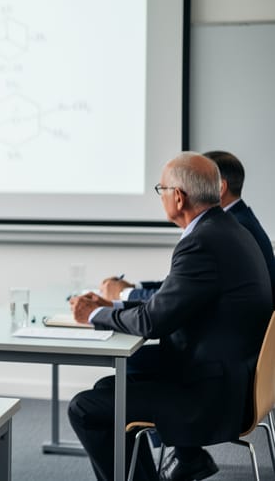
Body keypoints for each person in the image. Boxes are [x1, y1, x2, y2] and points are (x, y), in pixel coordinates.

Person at [67, 152, 272, 481]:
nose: (160, 195)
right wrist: (113, 308)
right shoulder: (225, 229)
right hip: (229, 377)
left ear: (178, 197)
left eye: (161, 189)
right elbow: (171, 302)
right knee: (109, 388)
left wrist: (95, 315)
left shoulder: (203, 241)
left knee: (85, 408)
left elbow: (153, 322)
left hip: (209, 396)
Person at [100, 150, 275, 303]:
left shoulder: (218, 232)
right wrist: (132, 288)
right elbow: (183, 286)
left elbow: (170, 303)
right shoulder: (234, 223)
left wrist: (123, 294)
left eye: (203, 182)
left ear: (219, 187)